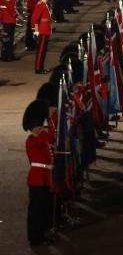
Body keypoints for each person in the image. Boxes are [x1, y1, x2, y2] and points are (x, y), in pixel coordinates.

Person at [24, 99, 55, 246]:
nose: (40, 129)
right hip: (37, 178)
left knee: (43, 209)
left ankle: (42, 233)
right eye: (38, 127)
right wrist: (47, 121)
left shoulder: (41, 137)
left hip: (44, 177)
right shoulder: (31, 141)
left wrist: (48, 119)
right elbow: (47, 137)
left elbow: (52, 136)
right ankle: (35, 237)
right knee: (36, 211)